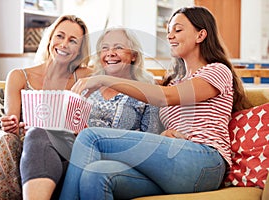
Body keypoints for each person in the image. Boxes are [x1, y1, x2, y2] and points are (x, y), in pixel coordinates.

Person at [59, 6, 252, 200]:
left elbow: (165, 97)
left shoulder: (217, 71)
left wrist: (104, 79)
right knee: (96, 174)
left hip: (206, 161)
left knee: (91, 137)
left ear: (200, 35)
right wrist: (164, 135)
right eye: (168, 31)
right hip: (175, 161)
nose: (169, 36)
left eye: (177, 30)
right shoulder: (174, 80)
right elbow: (159, 106)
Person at [19, 27, 163, 200]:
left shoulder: (148, 90)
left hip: (114, 159)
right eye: (104, 48)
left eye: (118, 47)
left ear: (134, 55)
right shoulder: (89, 86)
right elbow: (71, 122)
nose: (110, 53)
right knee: (38, 132)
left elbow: (152, 140)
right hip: (75, 152)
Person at [0, 14, 92, 200]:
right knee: (6, 140)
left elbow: (123, 79)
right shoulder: (19, 76)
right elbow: (11, 123)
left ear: (80, 50)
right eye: (60, 36)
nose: (64, 44)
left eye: (73, 41)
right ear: (50, 38)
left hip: (59, 151)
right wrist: (11, 124)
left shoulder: (85, 77)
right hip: (19, 147)